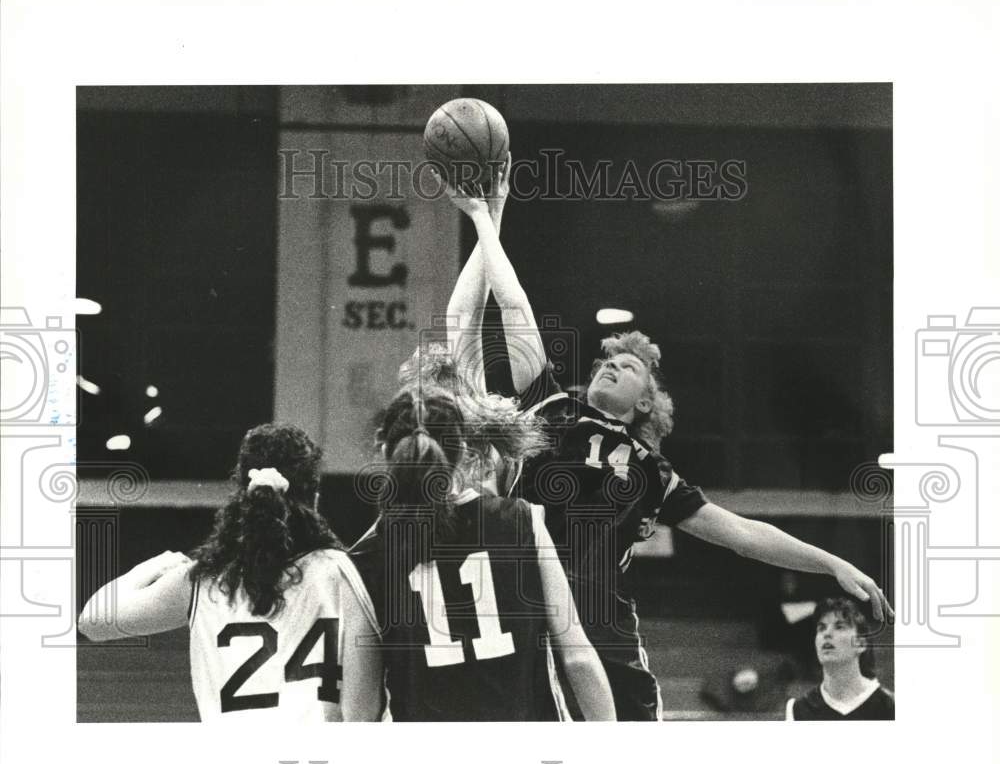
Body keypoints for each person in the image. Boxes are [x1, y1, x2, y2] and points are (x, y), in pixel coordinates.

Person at [432, 158, 894, 721]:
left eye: (626, 368)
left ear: (646, 402)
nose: (609, 367)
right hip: (526, 605)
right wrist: (488, 216)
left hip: (603, 622)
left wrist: (833, 564)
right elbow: (511, 309)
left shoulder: (651, 471)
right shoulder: (547, 404)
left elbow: (743, 533)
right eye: (607, 360)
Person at [78, 423, 384, 722]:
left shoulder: (202, 578)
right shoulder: (345, 573)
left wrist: (158, 562)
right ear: (315, 496)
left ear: (240, 493)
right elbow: (363, 714)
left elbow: (92, 621)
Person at [349, 386, 616, 721]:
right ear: (464, 449)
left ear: (383, 447)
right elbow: (578, 658)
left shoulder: (364, 559)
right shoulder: (521, 519)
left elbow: (360, 710)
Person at [785, 596, 894, 720]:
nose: (827, 634)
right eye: (821, 628)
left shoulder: (890, 706)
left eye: (839, 627)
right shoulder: (797, 710)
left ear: (861, 644)